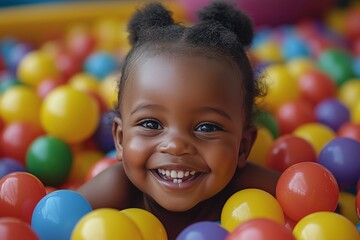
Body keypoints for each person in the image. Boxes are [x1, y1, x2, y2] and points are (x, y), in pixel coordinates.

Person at [77, 2, 280, 239]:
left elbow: (328, 209)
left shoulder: (253, 192)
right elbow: (52, 223)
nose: (175, 145)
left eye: (206, 127)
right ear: (120, 139)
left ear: (243, 147)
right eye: (151, 124)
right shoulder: (116, 188)